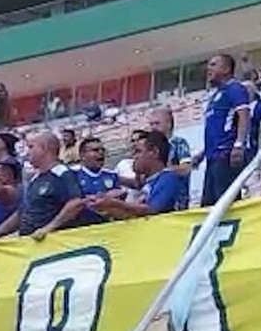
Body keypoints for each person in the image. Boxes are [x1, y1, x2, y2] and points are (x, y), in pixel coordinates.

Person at [0, 130, 87, 247]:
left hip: (50, 245)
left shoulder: (61, 173)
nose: (27, 152)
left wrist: (49, 228)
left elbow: (76, 203)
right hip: (30, 243)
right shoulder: (35, 179)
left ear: (44, 148)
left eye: (31, 147)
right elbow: (21, 213)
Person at [90, 131, 188, 219]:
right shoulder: (149, 183)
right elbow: (133, 215)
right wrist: (107, 206)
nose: (133, 157)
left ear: (154, 152)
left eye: (138, 151)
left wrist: (116, 204)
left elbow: (151, 211)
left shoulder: (168, 178)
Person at [197, 54, 250, 207]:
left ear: (226, 69)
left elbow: (244, 115)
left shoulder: (235, 89)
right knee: (209, 206)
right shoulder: (216, 95)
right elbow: (217, 128)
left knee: (225, 204)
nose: (208, 69)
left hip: (225, 155)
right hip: (212, 157)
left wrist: (239, 144)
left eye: (213, 65)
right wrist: (202, 153)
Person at [71, 137, 125, 226]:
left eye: (102, 150)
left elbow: (119, 197)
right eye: (95, 150)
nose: (101, 153)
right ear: (82, 155)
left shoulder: (111, 175)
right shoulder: (73, 175)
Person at [148, 107, 193, 198]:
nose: (153, 128)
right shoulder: (150, 147)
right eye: (151, 124)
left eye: (157, 123)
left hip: (176, 200)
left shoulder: (178, 143)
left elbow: (186, 168)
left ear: (169, 124)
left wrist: (164, 172)